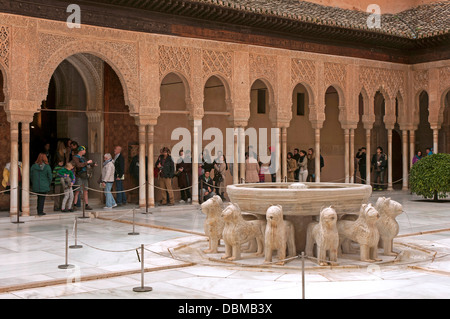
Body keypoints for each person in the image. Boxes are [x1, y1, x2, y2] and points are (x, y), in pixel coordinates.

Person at [73, 146, 95, 210]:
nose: (85, 151)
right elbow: (78, 165)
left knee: (86, 191)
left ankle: (87, 205)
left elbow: (87, 164)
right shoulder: (75, 157)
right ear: (81, 151)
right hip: (79, 176)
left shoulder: (83, 158)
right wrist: (87, 163)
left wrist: (92, 164)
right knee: (77, 191)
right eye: (84, 150)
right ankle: (74, 205)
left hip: (85, 175)